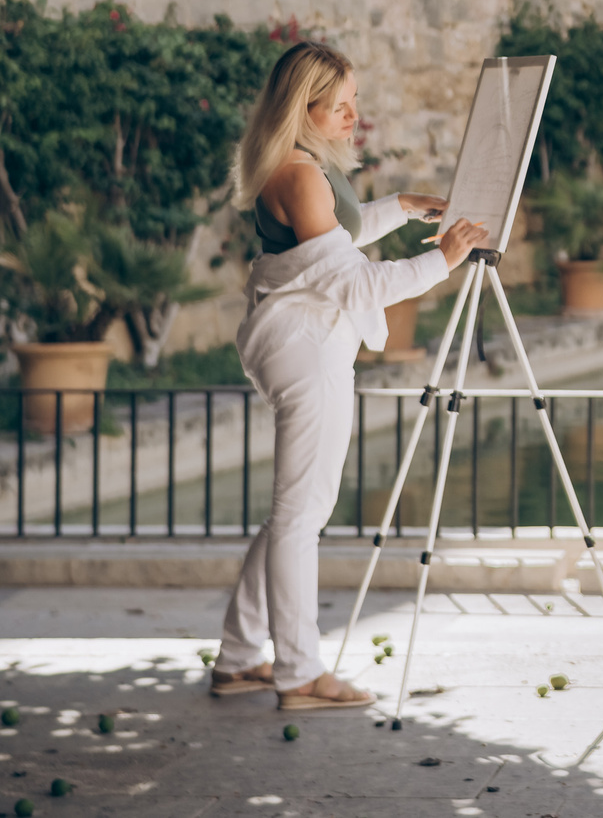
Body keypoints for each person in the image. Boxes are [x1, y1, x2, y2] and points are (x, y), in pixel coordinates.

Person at [214, 40, 488, 710]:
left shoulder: (297, 164)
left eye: (353, 101)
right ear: (300, 108)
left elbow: (332, 241)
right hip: (309, 352)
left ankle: (241, 656)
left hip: (303, 344)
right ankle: (301, 674)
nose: (352, 116)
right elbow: (355, 283)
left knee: (293, 511)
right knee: (299, 517)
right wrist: (445, 259)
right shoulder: (301, 176)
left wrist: (402, 205)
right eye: (338, 106)